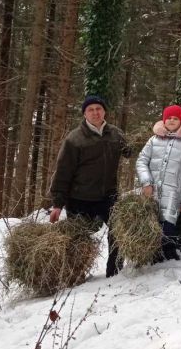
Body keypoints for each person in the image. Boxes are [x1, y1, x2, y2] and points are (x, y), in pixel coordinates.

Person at [49, 95, 131, 278]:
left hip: (108, 195)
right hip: (80, 197)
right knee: (77, 238)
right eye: (90, 110)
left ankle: (115, 271)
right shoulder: (74, 139)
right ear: (85, 114)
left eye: (98, 109)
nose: (95, 112)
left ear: (104, 111)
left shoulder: (116, 134)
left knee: (118, 230)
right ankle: (75, 275)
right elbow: (63, 172)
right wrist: (57, 203)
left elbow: (130, 150)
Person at [135, 105, 181, 262]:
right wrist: (146, 182)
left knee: (169, 227)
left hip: (173, 195)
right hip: (152, 193)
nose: (171, 120)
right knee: (153, 224)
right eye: (168, 117)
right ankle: (153, 254)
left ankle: (169, 252)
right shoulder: (154, 140)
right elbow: (141, 161)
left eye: (175, 118)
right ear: (163, 120)